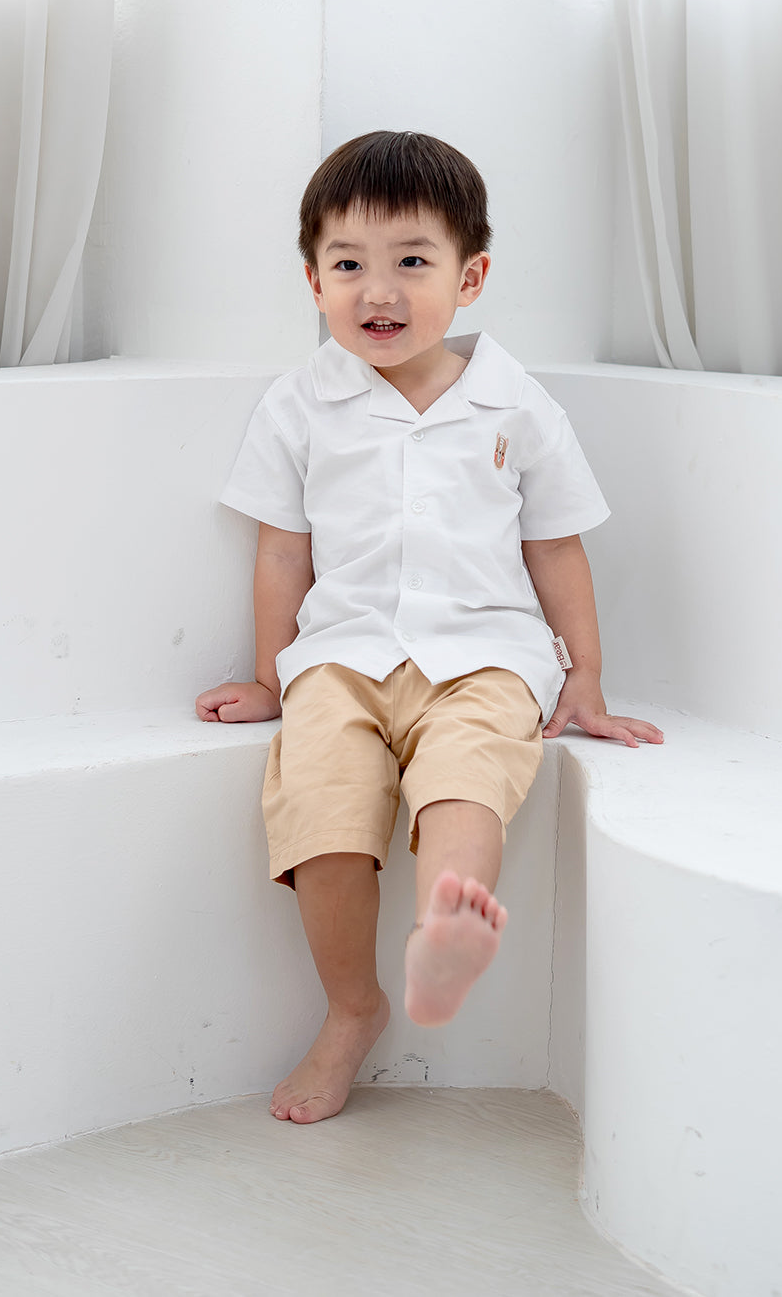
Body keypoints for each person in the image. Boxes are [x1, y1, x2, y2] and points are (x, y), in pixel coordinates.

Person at [195, 130, 663, 1125]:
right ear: (314, 281)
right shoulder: (300, 404)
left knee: (465, 777)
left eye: (413, 261)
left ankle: (450, 920)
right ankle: (352, 1007)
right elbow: (281, 553)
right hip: (342, 657)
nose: (380, 290)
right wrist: (272, 678)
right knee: (320, 805)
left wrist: (584, 676)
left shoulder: (515, 404)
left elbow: (556, 548)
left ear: (471, 276)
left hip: (487, 656)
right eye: (348, 266)